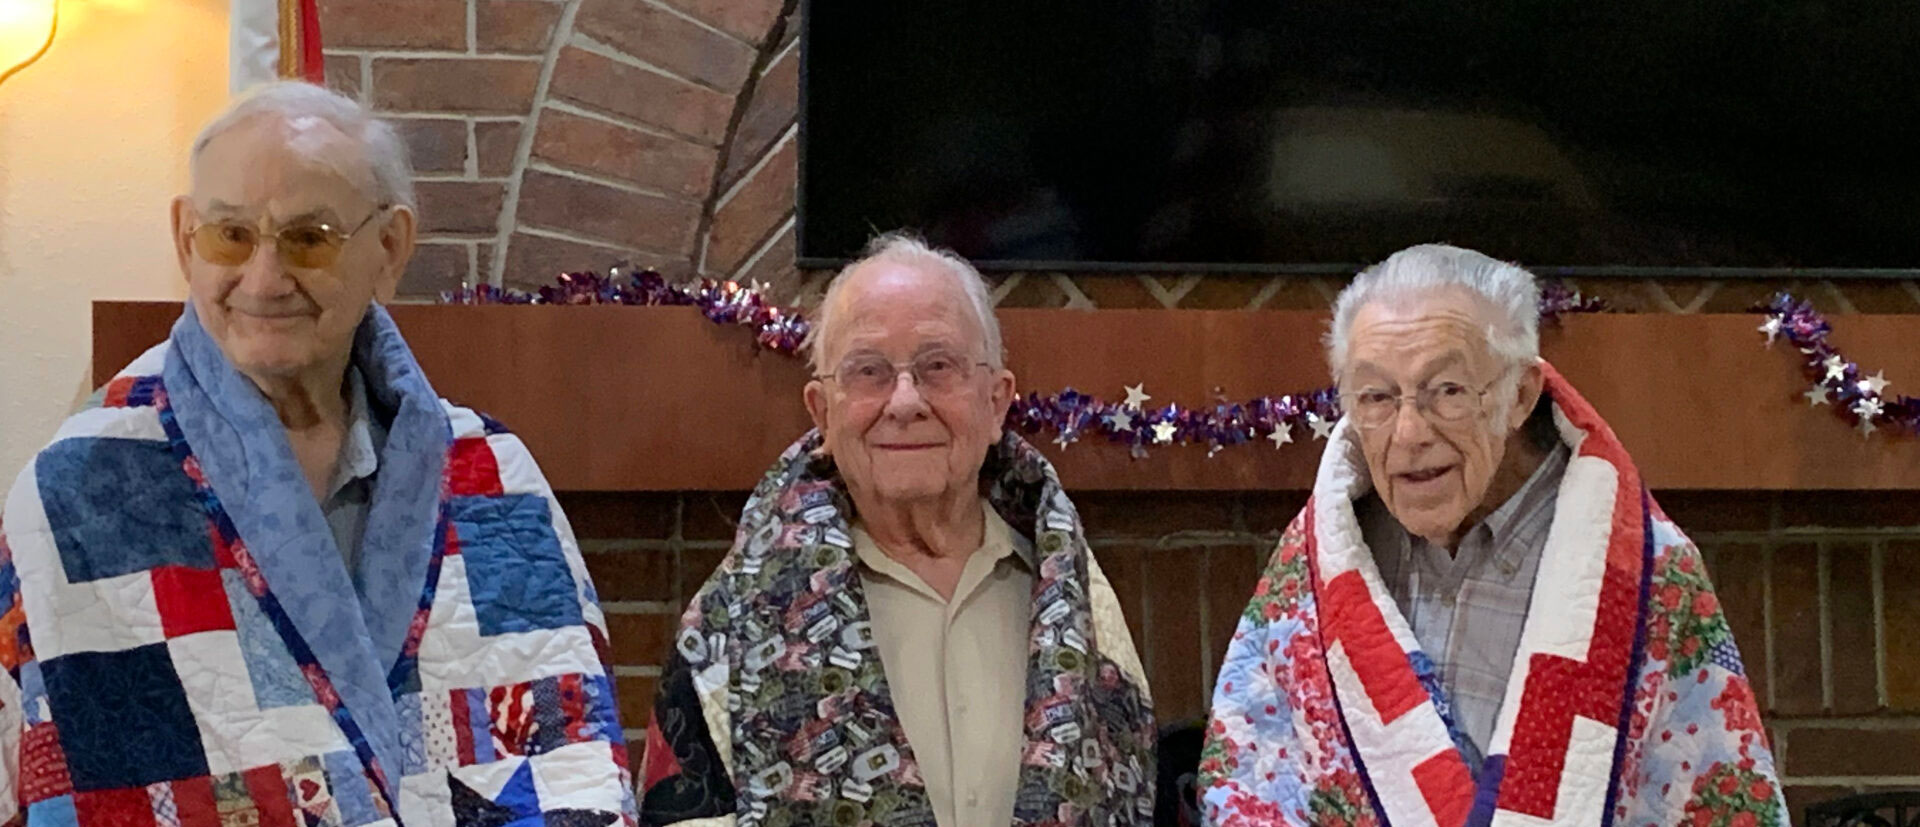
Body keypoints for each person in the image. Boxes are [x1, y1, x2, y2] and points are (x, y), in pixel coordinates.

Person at [0, 82, 633, 827]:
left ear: (390, 248)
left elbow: (571, 761)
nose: (264, 280)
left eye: (309, 237)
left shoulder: (493, 476)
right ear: (184, 238)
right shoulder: (81, 488)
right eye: (230, 236)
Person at [1201, 244, 1782, 825]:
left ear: (1520, 395)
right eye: (1375, 397)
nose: (1408, 433)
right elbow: (1249, 778)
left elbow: (1716, 793)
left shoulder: (1644, 570)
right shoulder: (1316, 562)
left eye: (1447, 391)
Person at [637, 234, 1155, 827]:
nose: (904, 402)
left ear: (996, 401)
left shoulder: (1081, 609)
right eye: (869, 372)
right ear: (822, 412)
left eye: (939, 366)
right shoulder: (732, 623)